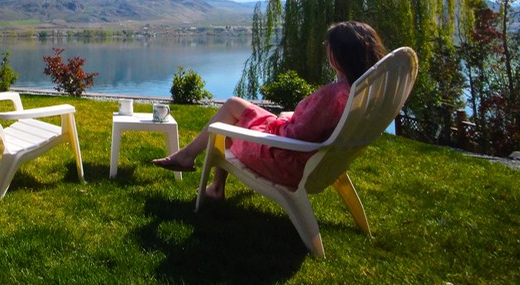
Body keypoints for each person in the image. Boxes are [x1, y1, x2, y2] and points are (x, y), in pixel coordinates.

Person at [152, 21, 387, 199]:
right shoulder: (357, 92)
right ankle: (203, 174)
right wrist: (291, 117)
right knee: (234, 105)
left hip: (287, 159)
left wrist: (284, 121)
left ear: (340, 53)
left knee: (228, 123)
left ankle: (199, 170)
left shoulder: (334, 95)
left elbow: (298, 135)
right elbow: (310, 128)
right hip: (314, 156)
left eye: (329, 45)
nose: (325, 49)